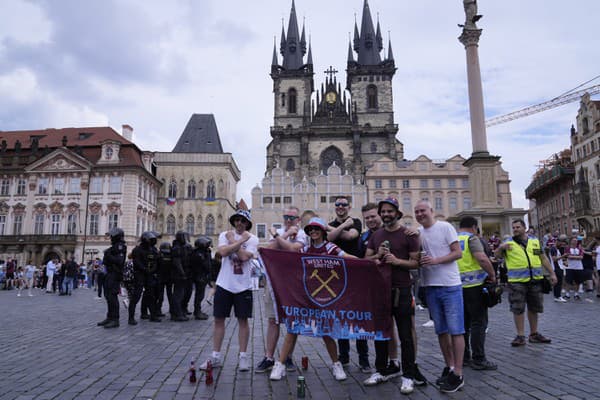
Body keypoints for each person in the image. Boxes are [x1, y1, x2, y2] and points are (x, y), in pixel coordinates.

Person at [270, 217, 351, 381]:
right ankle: (280, 365)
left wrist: (368, 262)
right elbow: (287, 259)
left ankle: (336, 365)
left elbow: (348, 257)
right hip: (305, 296)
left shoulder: (331, 247)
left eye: (317, 229)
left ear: (322, 231)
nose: (313, 232)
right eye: (311, 229)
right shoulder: (304, 249)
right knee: (292, 330)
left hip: (323, 298)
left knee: (326, 331)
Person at [363, 198, 421, 394]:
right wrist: (377, 255)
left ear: (397, 213)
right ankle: (381, 370)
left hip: (402, 289)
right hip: (381, 289)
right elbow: (366, 260)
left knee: (405, 334)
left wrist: (396, 261)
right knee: (380, 333)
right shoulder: (376, 235)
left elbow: (416, 263)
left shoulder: (408, 234)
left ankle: (409, 375)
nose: (386, 214)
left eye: (390, 211)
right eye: (383, 211)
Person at [414, 200, 465, 393]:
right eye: (417, 212)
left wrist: (435, 260)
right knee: (441, 330)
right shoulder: (418, 233)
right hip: (430, 286)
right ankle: (450, 367)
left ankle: (458, 373)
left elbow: (458, 253)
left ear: (431, 211)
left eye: (422, 211)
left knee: (456, 330)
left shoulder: (445, 227)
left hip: (450, 285)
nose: (420, 214)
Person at [199, 210, 258, 372]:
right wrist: (237, 241)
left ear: (247, 223)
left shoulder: (253, 239)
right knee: (219, 320)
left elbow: (245, 257)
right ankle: (216, 356)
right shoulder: (225, 234)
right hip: (224, 283)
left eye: (243, 220)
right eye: (236, 220)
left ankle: (243, 357)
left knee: (243, 321)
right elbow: (222, 253)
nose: (239, 223)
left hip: (243, 285)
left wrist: (234, 243)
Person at [256, 206, 306, 374]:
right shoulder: (280, 231)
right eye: (286, 216)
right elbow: (268, 250)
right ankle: (269, 357)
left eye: (292, 217)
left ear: (298, 220)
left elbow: (293, 249)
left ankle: (288, 357)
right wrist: (282, 234)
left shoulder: (302, 234)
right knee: (272, 320)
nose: (288, 220)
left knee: (292, 320)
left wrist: (277, 237)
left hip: (293, 283)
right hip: (274, 281)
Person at [494, 219, 557, 347]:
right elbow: (497, 256)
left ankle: (534, 334)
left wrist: (552, 273)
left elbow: (543, 258)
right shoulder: (508, 242)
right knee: (518, 308)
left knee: (534, 307)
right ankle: (520, 335)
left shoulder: (534, 242)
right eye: (514, 227)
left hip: (535, 280)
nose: (515, 229)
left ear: (524, 228)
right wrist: (501, 247)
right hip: (517, 282)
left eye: (518, 227)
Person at [327, 196, 369, 372]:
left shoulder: (357, 222)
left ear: (349, 207)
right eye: (338, 205)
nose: (341, 207)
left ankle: (364, 359)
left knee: (359, 318)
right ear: (335, 207)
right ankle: (343, 357)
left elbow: (352, 236)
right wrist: (343, 226)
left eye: (344, 204)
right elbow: (329, 237)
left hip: (355, 274)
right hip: (336, 276)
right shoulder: (342, 223)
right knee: (341, 317)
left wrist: (335, 229)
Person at [456, 217, 497, 371]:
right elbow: (482, 258)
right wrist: (492, 275)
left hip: (457, 287)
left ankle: (464, 357)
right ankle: (479, 358)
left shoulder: (453, 239)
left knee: (464, 324)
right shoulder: (471, 238)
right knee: (478, 323)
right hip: (475, 286)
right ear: (474, 227)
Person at [97, 227, 127, 329]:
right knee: (108, 296)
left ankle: (115, 319)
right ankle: (109, 317)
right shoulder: (114, 247)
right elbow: (106, 261)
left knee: (112, 297)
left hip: (115, 274)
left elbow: (119, 261)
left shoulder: (120, 247)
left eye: (112, 236)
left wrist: (108, 255)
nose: (110, 238)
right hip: (109, 273)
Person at [191, 236, 212, 320]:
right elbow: (206, 265)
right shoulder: (199, 254)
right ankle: (197, 311)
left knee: (201, 295)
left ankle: (197, 311)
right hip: (199, 276)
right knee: (199, 295)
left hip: (202, 276)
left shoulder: (202, 253)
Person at [549, 235, 568, 302]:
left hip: (559, 267)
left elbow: (558, 259)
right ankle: (557, 296)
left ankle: (557, 296)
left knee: (559, 283)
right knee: (558, 283)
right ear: (557, 241)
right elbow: (554, 259)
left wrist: (564, 262)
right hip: (556, 268)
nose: (562, 244)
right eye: (561, 243)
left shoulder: (557, 249)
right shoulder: (553, 248)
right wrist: (563, 256)